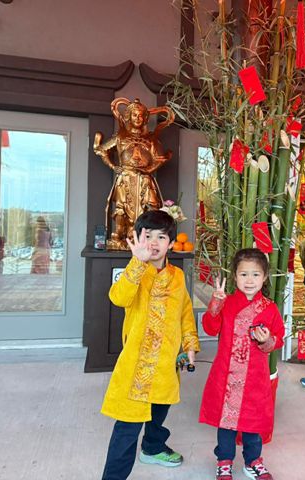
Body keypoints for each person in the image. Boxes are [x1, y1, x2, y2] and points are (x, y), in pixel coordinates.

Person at [100, 210, 200, 480]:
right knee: (127, 429)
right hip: (137, 367)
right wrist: (137, 263)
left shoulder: (177, 276)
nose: (154, 243)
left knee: (159, 411)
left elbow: (185, 312)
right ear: (137, 239)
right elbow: (118, 298)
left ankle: (153, 447)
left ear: (171, 243)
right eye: (147, 236)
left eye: (161, 237)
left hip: (166, 363)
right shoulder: (135, 272)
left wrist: (190, 345)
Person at [199, 248, 285, 480]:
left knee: (253, 422)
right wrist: (215, 303)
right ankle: (224, 461)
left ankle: (252, 461)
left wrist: (267, 340)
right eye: (243, 274)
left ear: (264, 277)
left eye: (255, 275)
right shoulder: (226, 303)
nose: (249, 280)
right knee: (226, 423)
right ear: (235, 276)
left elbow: (279, 338)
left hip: (255, 378)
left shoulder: (269, 308)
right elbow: (210, 328)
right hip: (226, 376)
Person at [93, 98, 175, 250]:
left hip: (145, 178)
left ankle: (147, 236)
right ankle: (119, 235)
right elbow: (102, 149)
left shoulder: (151, 139)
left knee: (152, 206)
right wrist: (113, 166)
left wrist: (149, 169)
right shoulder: (121, 136)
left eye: (141, 116)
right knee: (121, 207)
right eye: (134, 115)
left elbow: (158, 159)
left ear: (145, 119)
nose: (138, 118)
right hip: (125, 177)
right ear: (129, 116)